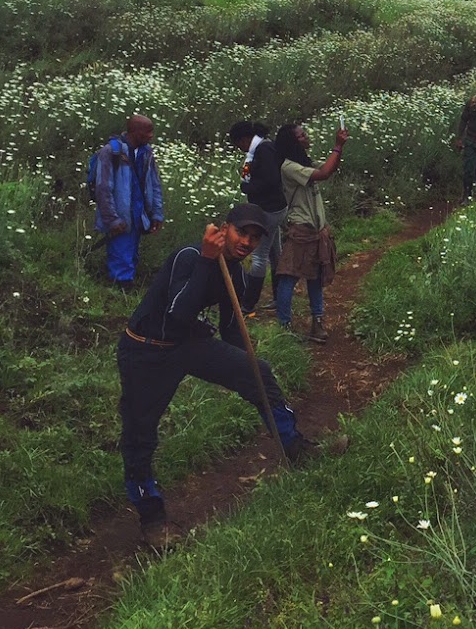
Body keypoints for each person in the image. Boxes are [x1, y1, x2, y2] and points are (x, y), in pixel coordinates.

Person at [117, 203, 312, 547]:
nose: (247, 242)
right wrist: (208, 260)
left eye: (255, 238)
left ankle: (295, 447)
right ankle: (152, 519)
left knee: (259, 373)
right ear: (225, 229)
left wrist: (242, 365)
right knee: (139, 433)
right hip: (146, 350)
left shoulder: (234, 272)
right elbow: (178, 313)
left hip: (187, 344)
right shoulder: (190, 257)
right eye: (242, 233)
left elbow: (230, 327)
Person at [274, 120, 347, 343]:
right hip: (301, 229)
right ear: (292, 143)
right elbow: (323, 173)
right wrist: (338, 146)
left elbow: (328, 169)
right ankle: (284, 328)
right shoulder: (288, 167)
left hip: (315, 230)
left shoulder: (300, 162)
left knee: (314, 277)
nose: (306, 137)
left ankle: (317, 321)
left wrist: (338, 150)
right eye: (302, 136)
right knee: (288, 277)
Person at [92, 113, 165, 288]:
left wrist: (156, 214)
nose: (151, 136)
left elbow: (154, 184)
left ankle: (124, 289)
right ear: (135, 131)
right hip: (120, 218)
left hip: (139, 216)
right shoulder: (111, 152)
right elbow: (103, 188)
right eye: (148, 132)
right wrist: (112, 219)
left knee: (131, 255)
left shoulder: (146, 153)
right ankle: (119, 293)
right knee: (120, 258)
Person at [227, 120, 287, 314]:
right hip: (273, 208)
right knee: (275, 252)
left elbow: (271, 180)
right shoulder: (261, 149)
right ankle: (280, 297)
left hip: (269, 209)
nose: (240, 149)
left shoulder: (263, 150)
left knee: (259, 257)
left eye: (239, 145)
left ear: (245, 139)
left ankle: (248, 303)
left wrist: (248, 188)